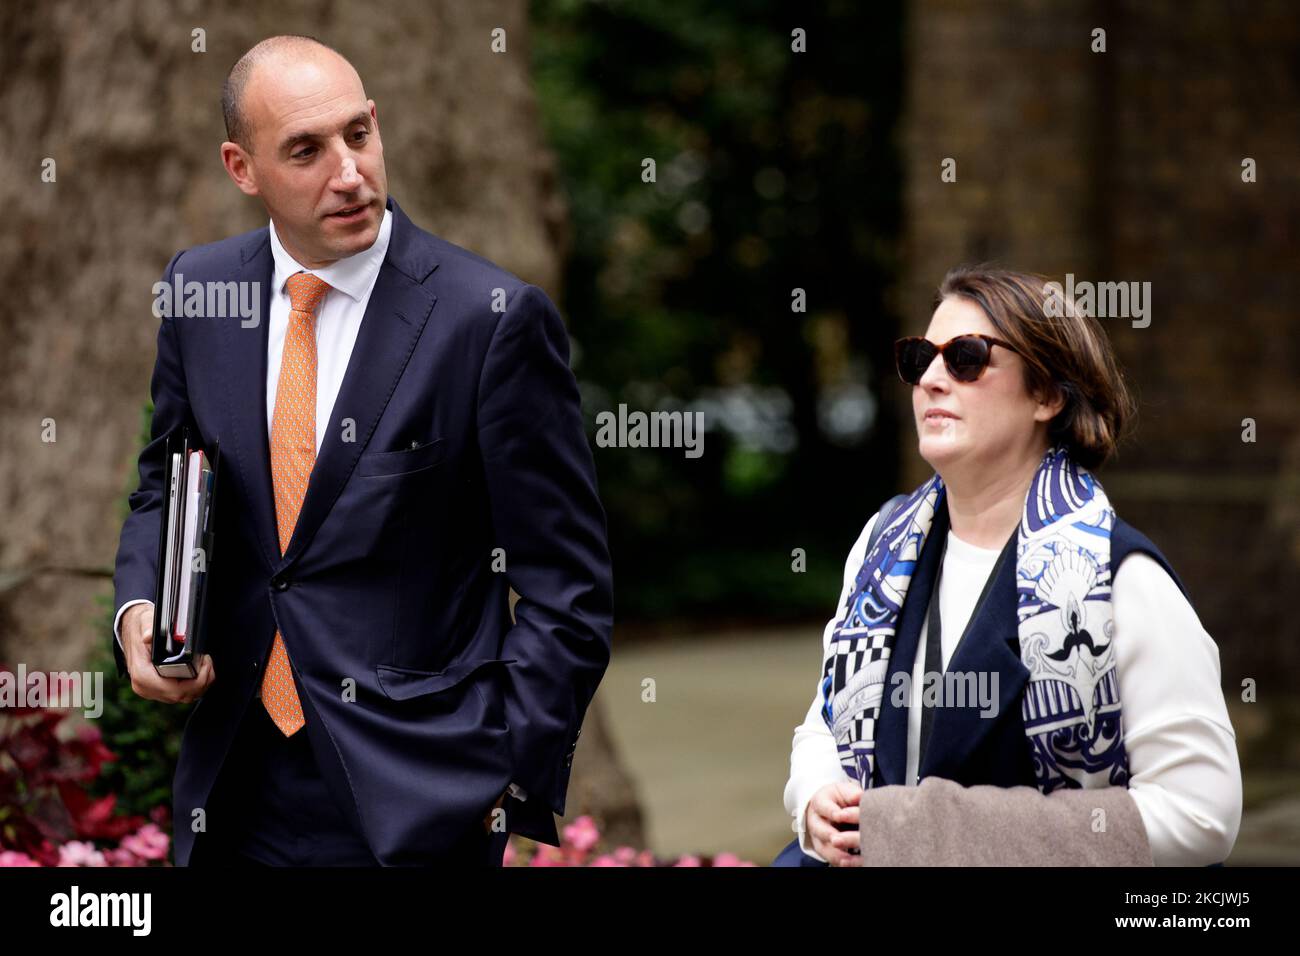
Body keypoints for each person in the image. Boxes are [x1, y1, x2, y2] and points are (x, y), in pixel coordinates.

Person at [110, 34, 613, 866]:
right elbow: (166, 482)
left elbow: (568, 588)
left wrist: (497, 770)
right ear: (241, 168)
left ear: (377, 122)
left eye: (357, 134)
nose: (348, 173)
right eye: (305, 150)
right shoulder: (200, 290)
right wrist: (141, 610)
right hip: (233, 786)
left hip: (420, 798)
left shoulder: (489, 320)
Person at [775, 265, 1241, 866]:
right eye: (919, 358)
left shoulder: (1121, 578)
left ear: (1047, 395)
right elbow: (826, 719)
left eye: (966, 358)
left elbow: (1202, 814)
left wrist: (932, 832)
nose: (931, 379)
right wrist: (814, 797)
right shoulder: (880, 547)